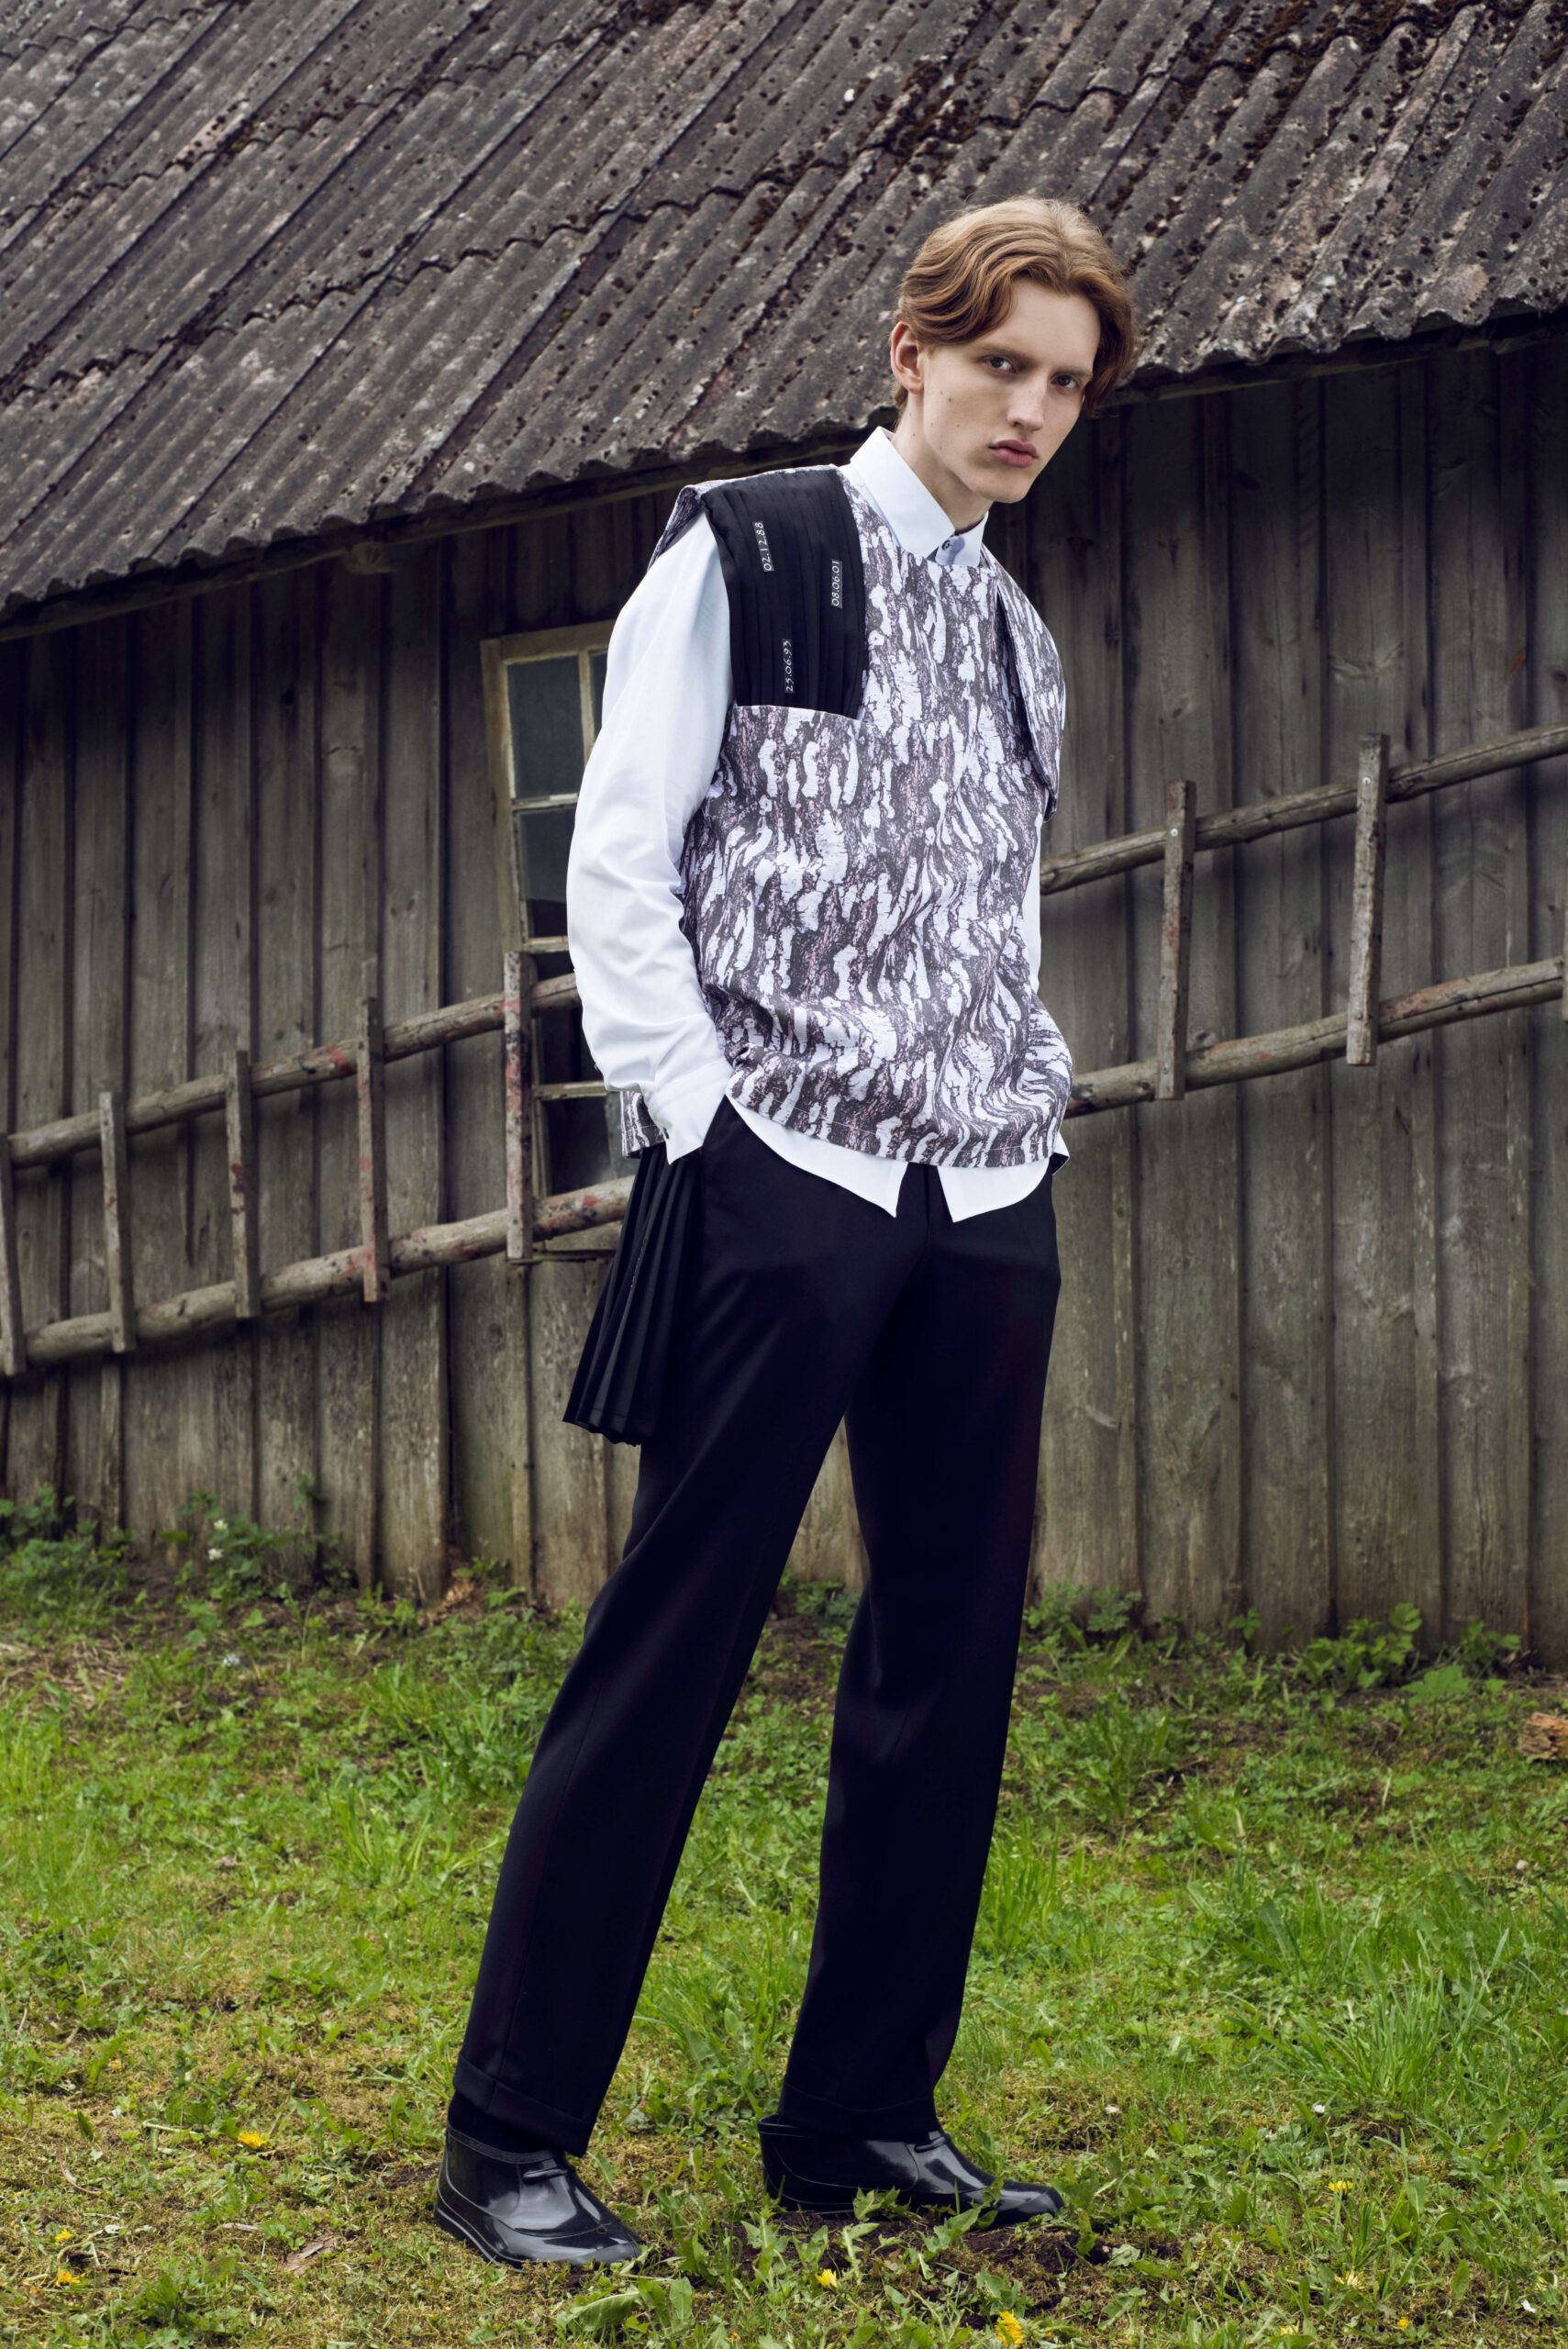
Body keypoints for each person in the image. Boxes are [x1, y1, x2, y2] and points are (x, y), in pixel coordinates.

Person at [436, 196, 1140, 2269]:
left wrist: (1029, 1102)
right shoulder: (753, 551)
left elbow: (988, 907)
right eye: (998, 364)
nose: (1029, 410)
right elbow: (620, 855)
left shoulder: (1018, 644)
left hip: (983, 1194)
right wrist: (702, 1121)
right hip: (782, 1172)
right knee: (674, 1640)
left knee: (948, 1659)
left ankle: (856, 2123)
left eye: (1065, 383)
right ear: (912, 354)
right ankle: (506, 2139)